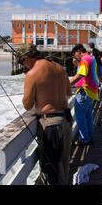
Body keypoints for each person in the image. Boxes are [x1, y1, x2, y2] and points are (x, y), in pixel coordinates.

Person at [18, 44, 73, 185]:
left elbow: (27, 105)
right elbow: (68, 92)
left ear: (27, 58)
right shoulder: (60, 68)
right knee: (63, 165)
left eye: (22, 62)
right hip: (65, 120)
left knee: (50, 170)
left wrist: (31, 85)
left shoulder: (32, 74)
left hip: (50, 125)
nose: (23, 66)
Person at [70, 44, 99, 146]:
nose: (75, 57)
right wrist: (77, 64)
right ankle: (89, 136)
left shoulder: (85, 59)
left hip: (84, 91)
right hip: (91, 91)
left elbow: (81, 74)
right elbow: (86, 73)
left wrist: (66, 85)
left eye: (74, 55)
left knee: (80, 116)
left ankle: (85, 138)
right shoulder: (91, 58)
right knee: (88, 116)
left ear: (78, 51)